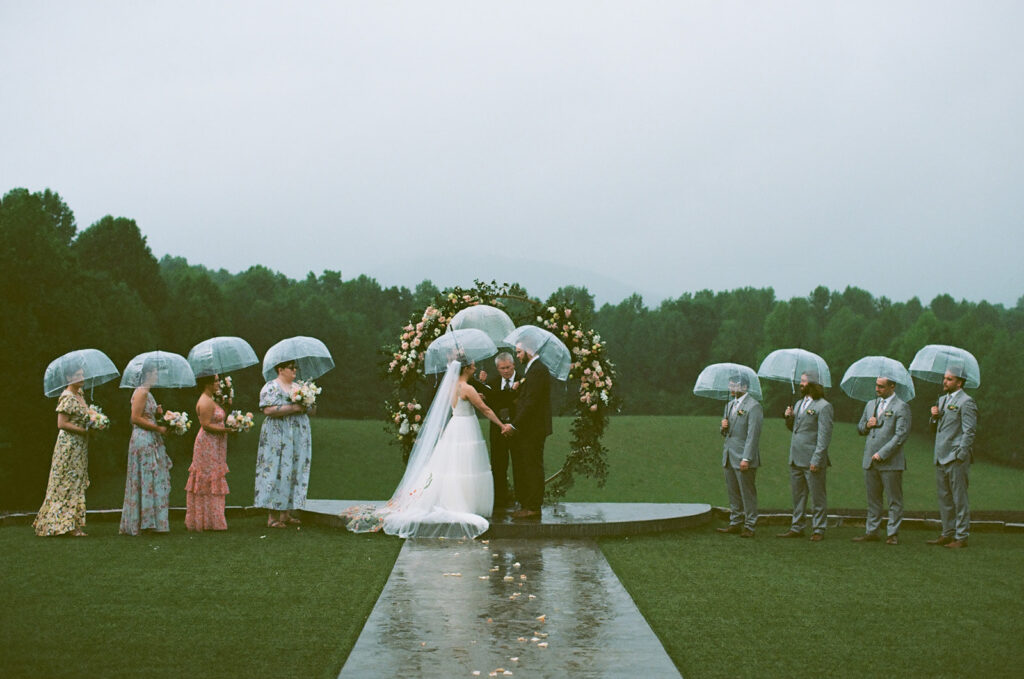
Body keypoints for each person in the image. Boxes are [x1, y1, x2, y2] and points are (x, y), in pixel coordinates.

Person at [347, 358, 511, 539]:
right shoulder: (467, 388)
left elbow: (465, 401)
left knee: (452, 466)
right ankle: (463, 503)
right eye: (472, 365)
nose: (474, 367)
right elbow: (485, 410)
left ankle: (455, 500)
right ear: (465, 368)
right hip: (466, 427)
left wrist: (475, 397)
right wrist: (501, 425)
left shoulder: (453, 386)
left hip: (455, 425)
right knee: (464, 464)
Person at [852, 377, 911, 545]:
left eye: (881, 386)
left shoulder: (902, 407)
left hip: (890, 462)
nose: (877, 389)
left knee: (894, 499)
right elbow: (860, 428)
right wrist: (867, 425)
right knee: (873, 499)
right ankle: (872, 531)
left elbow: (901, 436)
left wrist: (882, 453)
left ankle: (892, 534)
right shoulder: (871, 404)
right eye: (876, 385)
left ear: (892, 386)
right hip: (870, 460)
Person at [34, 367, 91, 537]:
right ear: (68, 377)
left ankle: (71, 523)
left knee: (76, 481)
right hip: (69, 445)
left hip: (80, 445)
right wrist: (83, 431)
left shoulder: (80, 393)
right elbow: (62, 424)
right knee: (66, 481)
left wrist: (94, 422)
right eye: (77, 375)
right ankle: (64, 525)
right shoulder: (67, 396)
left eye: (82, 374)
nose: (81, 377)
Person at [255, 360, 314, 528]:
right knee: (277, 468)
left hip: (297, 434)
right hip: (278, 435)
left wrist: (308, 402)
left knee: (294, 468)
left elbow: (312, 409)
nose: (295, 370)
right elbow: (267, 410)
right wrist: (293, 408)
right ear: (280, 369)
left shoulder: (299, 387)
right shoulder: (271, 387)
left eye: (296, 367)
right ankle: (272, 516)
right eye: (291, 367)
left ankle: (286, 514)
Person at [777, 371, 833, 542]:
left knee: (817, 496)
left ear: (813, 384)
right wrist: (789, 418)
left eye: (803, 381)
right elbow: (795, 429)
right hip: (796, 457)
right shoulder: (800, 403)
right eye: (800, 381)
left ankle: (819, 528)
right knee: (798, 495)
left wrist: (816, 459)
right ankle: (797, 527)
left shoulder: (824, 406)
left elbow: (824, 436)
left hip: (812, 459)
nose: (800, 384)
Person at [120, 360, 172, 536]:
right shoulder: (142, 391)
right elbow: (135, 418)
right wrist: (157, 427)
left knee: (152, 477)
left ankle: (150, 521)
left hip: (150, 438)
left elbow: (145, 414)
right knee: (146, 476)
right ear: (148, 374)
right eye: (155, 373)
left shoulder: (148, 393)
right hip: (143, 439)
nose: (157, 376)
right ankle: (145, 522)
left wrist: (157, 414)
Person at [926, 369, 977, 549]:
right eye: (944, 378)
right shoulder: (942, 400)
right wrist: (933, 417)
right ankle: (947, 533)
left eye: (949, 379)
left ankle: (961, 537)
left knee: (959, 498)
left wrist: (960, 454)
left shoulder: (966, 402)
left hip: (955, 458)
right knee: (945, 498)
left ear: (959, 383)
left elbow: (969, 431)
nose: (945, 382)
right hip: (940, 457)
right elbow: (935, 429)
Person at [505, 342, 552, 519]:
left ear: (529, 351)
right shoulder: (532, 369)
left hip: (533, 428)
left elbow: (532, 402)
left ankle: (533, 507)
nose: (517, 356)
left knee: (533, 466)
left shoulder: (537, 370)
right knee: (530, 465)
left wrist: (514, 424)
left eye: (518, 352)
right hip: (531, 428)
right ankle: (530, 504)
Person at [716, 374, 762, 537]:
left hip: (743, 457)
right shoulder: (729, 406)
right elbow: (727, 433)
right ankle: (735, 522)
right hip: (729, 455)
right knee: (733, 491)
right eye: (730, 385)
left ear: (744, 387)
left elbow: (753, 435)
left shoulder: (753, 406)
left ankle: (750, 525)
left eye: (734, 385)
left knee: (747, 492)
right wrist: (723, 427)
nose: (731, 389)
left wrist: (746, 458)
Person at [475, 352, 521, 514]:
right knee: (498, 465)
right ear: (497, 368)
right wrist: (482, 390)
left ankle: (520, 499)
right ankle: (500, 500)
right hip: (498, 430)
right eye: (502, 368)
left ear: (514, 365)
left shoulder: (523, 380)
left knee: (520, 464)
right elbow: (489, 403)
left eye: (508, 367)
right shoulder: (492, 383)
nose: (506, 371)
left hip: (517, 430)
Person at [186, 374, 230, 532]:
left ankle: (213, 518)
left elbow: (216, 418)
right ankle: (205, 520)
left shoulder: (211, 399)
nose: (219, 383)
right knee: (207, 476)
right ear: (208, 383)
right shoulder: (204, 401)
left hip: (215, 443)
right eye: (216, 381)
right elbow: (205, 425)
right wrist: (226, 430)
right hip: (207, 444)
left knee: (213, 476)